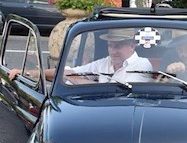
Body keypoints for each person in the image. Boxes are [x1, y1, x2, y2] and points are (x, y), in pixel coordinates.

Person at [9, 29, 152, 84]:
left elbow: (118, 91)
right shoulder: (104, 63)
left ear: (132, 46)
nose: (113, 51)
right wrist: (27, 73)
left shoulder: (142, 64)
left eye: (118, 46)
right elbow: (70, 72)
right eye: (110, 46)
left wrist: (76, 79)